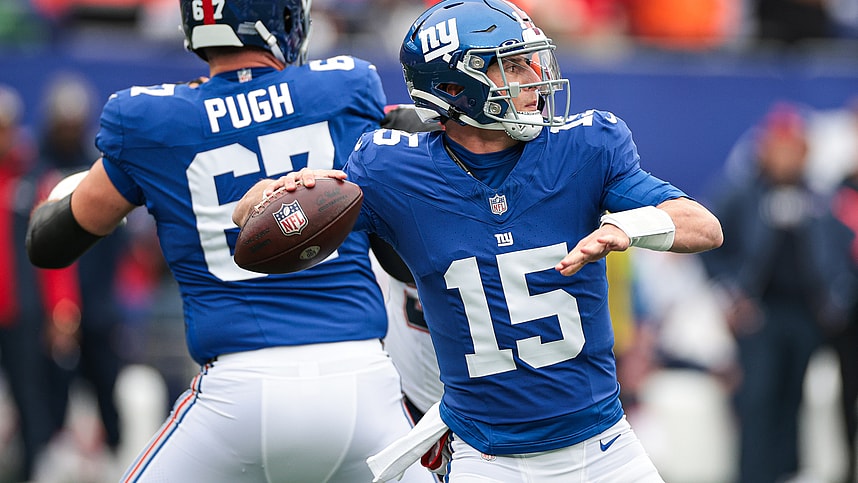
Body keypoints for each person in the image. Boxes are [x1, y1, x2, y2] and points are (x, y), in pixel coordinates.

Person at [234, 1, 724, 481]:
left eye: (533, 60)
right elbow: (253, 219)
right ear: (454, 86)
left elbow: (704, 226)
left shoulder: (586, 146)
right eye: (512, 65)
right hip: (486, 457)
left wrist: (626, 228)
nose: (535, 78)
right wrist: (278, 191)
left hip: (606, 449)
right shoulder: (392, 169)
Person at [25, 1, 435, 482]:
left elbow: (47, 243)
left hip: (237, 396)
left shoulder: (148, 119)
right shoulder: (346, 85)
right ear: (281, 18)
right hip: (364, 383)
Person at [700, 102, 855, 483]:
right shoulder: (741, 195)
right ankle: (753, 474)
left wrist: (835, 298)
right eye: (779, 146)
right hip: (760, 312)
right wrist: (731, 294)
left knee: (794, 397)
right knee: (758, 398)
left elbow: (840, 253)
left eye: (794, 147)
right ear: (765, 149)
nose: (786, 157)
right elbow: (708, 244)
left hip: (806, 313)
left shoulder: (821, 198)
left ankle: (788, 472)